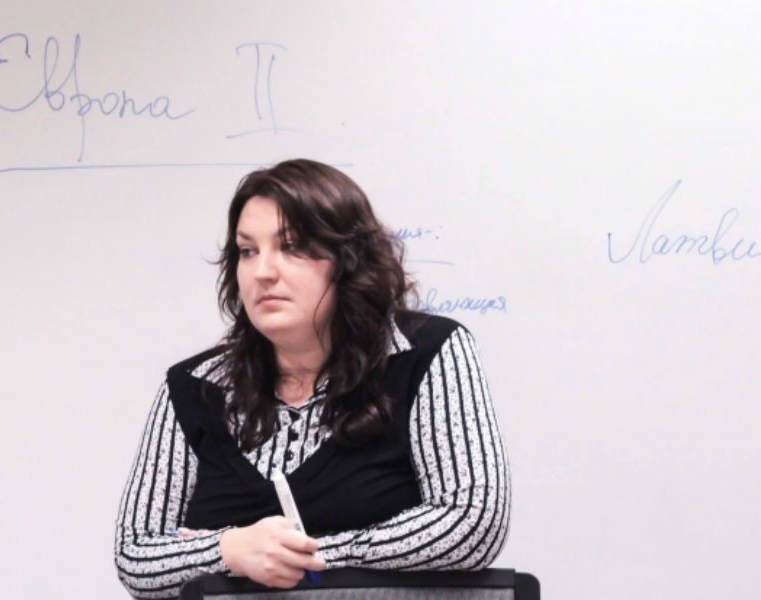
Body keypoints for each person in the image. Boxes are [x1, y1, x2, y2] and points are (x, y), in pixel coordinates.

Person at [113, 159, 511, 598]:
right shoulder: (195, 385)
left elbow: (474, 522)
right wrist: (229, 550)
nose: (263, 272)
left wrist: (304, 554)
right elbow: (135, 555)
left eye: (292, 247)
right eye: (248, 251)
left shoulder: (426, 353)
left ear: (348, 261)